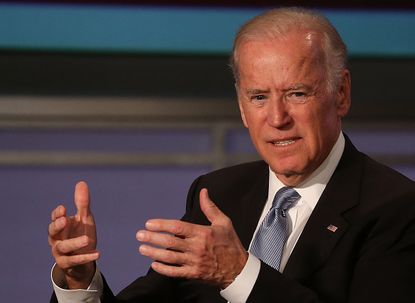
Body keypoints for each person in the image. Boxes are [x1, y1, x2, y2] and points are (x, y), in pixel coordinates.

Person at [48, 7, 415, 303]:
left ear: (341, 94)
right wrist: (80, 284)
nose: (277, 118)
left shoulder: (396, 209)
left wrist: (240, 275)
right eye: (259, 97)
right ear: (241, 108)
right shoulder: (217, 194)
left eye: (297, 93)